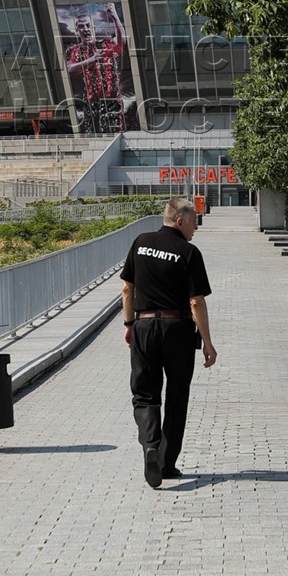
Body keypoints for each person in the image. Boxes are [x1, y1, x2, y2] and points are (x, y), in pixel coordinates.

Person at [121, 196, 217, 489]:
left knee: (145, 394)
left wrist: (129, 324)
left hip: (144, 326)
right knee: (177, 396)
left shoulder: (140, 242)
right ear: (180, 220)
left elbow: (127, 288)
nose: (196, 228)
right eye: (193, 221)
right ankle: (165, 462)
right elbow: (196, 302)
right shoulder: (188, 252)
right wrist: (209, 343)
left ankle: (150, 444)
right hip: (177, 329)